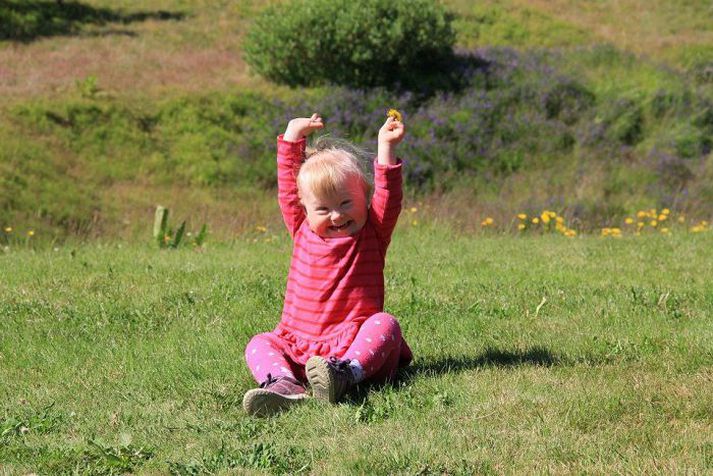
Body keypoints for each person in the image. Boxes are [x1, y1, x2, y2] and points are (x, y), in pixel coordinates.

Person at [242, 112, 413, 416]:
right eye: (323, 208)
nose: (336, 215)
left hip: (356, 348)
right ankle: (284, 385)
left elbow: (390, 196)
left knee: (386, 324)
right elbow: (287, 189)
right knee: (260, 342)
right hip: (300, 348)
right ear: (306, 209)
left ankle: (345, 375)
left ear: (365, 198)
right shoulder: (302, 228)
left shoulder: (372, 233)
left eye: (346, 203)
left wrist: (386, 148)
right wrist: (292, 137)